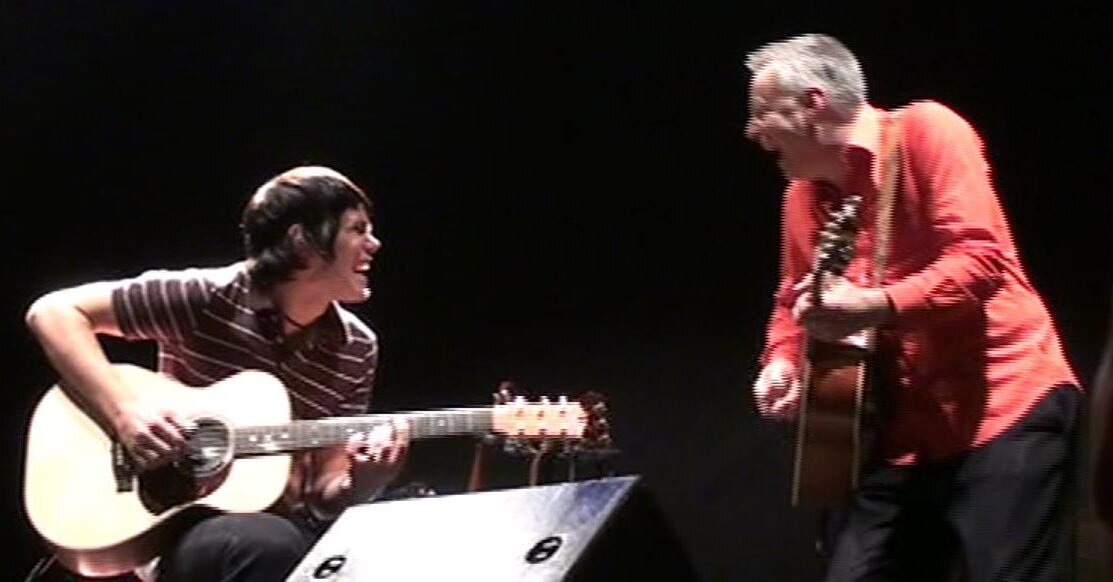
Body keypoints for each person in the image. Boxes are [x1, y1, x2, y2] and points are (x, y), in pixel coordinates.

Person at [744, 34, 1082, 581]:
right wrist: (780, 361)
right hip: (898, 438)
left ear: (813, 103)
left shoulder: (927, 131)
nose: (751, 131)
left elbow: (980, 261)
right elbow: (791, 297)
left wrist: (875, 306)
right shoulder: (801, 195)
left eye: (761, 112)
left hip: (1003, 406)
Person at [24, 165, 408, 581]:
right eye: (357, 229)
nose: (374, 244)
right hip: (174, 521)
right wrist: (125, 413)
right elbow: (54, 312)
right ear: (303, 240)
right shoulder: (207, 297)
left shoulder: (357, 347)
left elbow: (323, 494)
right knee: (265, 545)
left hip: (278, 529)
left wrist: (364, 481)